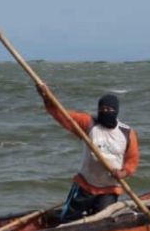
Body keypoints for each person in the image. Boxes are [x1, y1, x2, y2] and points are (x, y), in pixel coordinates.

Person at [37, 83, 139, 222]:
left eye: (109, 109)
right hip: (86, 184)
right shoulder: (88, 123)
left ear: (116, 111)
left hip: (109, 189)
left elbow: (132, 161)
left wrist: (123, 173)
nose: (105, 112)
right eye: (102, 109)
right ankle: (53, 221)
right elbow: (63, 116)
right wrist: (48, 98)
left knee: (102, 221)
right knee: (68, 219)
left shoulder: (127, 133)